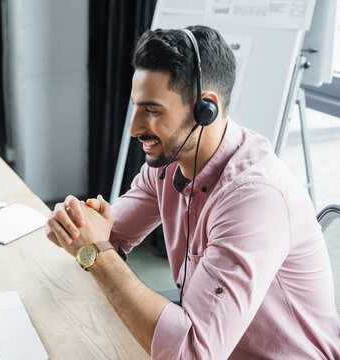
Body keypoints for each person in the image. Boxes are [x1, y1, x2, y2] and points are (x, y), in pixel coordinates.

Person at [45, 25, 340, 359]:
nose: (134, 128)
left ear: (205, 110)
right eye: (137, 107)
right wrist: (76, 228)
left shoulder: (255, 199)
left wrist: (95, 251)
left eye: (152, 110)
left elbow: (192, 352)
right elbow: (106, 237)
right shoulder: (171, 163)